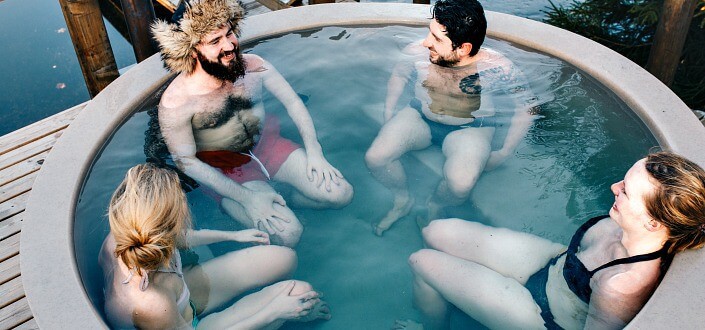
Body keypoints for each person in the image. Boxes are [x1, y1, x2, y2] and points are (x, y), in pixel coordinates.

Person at [396, 151, 705, 329]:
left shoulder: (621, 284)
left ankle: (431, 325)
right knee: (434, 231)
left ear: (653, 221)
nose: (614, 186)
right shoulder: (631, 222)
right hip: (554, 264)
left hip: (544, 317)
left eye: (626, 191)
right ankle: (450, 294)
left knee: (420, 262)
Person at [151, 0, 353, 247]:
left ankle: (289, 197)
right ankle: (245, 204)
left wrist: (315, 151)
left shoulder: (254, 66)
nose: (229, 45)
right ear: (192, 51)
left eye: (229, 34)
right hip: (226, 170)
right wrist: (246, 198)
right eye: (215, 41)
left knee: (342, 194)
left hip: (266, 145)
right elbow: (186, 161)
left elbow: (293, 103)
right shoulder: (177, 102)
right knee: (289, 233)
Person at [364, 0, 540, 236]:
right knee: (376, 158)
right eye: (430, 32)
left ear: (464, 48)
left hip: (471, 128)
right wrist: (388, 115)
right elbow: (399, 75)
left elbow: (528, 107)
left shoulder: (497, 68)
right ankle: (401, 197)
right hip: (421, 116)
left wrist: (504, 151)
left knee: (461, 184)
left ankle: (436, 203)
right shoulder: (417, 51)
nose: (426, 42)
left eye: (437, 39)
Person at [99, 164, 331, 329]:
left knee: (284, 259)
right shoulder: (151, 304)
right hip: (181, 323)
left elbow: (181, 237)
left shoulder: (133, 233)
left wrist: (234, 236)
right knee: (300, 293)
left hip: (179, 295)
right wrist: (274, 312)